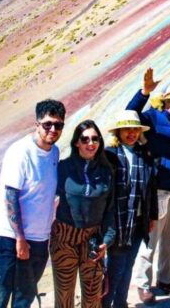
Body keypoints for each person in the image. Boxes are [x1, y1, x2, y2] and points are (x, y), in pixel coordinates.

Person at [0, 99, 65, 308]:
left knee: (25, 297)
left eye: (58, 125)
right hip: (9, 237)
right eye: (48, 124)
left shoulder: (54, 153)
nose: (53, 129)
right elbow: (10, 195)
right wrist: (20, 238)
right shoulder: (20, 151)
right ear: (37, 124)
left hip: (39, 237)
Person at [128, 68, 170, 301]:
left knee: (168, 239)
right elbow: (130, 114)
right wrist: (144, 92)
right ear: (165, 103)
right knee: (152, 238)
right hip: (158, 189)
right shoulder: (154, 118)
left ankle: (164, 280)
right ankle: (143, 284)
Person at [51, 120, 116, 308]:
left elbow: (109, 208)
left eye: (95, 139)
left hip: (92, 239)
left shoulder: (106, 172)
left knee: (93, 295)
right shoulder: (63, 168)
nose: (90, 143)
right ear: (76, 143)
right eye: (85, 139)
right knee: (64, 295)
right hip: (64, 238)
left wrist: (107, 240)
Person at [103, 111, 157, 308]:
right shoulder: (109, 154)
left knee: (128, 266)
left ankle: (120, 303)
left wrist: (152, 216)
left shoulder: (144, 155)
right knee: (115, 268)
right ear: (118, 131)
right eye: (127, 129)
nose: (131, 133)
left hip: (138, 221)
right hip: (117, 222)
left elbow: (151, 188)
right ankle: (105, 304)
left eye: (135, 128)